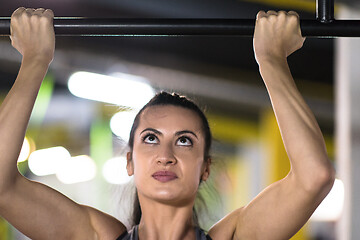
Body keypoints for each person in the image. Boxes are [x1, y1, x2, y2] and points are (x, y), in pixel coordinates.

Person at [0, 7, 335, 240]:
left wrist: (271, 60)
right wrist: (35, 60)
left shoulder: (234, 236)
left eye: (185, 140)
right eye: (150, 138)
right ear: (129, 161)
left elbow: (313, 176)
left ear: (205, 168)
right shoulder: (94, 234)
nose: (166, 154)